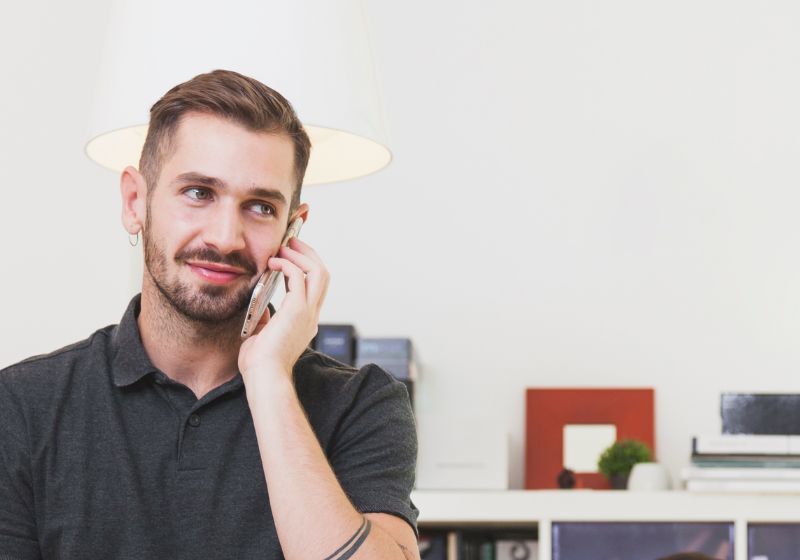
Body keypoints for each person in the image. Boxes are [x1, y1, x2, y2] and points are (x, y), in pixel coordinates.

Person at [0, 69, 419, 560]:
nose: (224, 237)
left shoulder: (362, 404)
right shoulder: (23, 406)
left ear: (292, 229)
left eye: (261, 207)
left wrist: (268, 379)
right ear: (136, 201)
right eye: (199, 193)